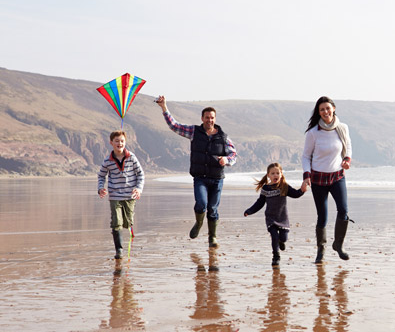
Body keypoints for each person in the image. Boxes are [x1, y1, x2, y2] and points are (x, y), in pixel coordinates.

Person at [155, 96, 236, 248]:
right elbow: (174, 126)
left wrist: (227, 161)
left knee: (213, 209)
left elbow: (233, 154)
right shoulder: (194, 131)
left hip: (217, 179)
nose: (209, 120)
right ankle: (199, 224)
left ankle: (212, 237)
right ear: (202, 118)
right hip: (200, 178)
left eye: (212, 118)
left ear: (215, 119)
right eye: (207, 118)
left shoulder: (223, 137)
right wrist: (164, 108)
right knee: (201, 205)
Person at [301, 96, 353, 264]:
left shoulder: (343, 128)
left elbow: (348, 147)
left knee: (343, 211)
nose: (325, 112)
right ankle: (321, 250)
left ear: (334, 108)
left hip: (337, 176)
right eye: (322, 109)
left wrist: (346, 160)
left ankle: (338, 244)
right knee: (322, 216)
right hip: (318, 179)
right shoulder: (313, 133)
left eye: (328, 108)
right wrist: (307, 175)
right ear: (319, 112)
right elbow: (305, 156)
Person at [244, 162, 307, 267]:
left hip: (282, 218)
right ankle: (276, 257)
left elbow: (295, 194)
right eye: (272, 173)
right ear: (268, 175)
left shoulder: (284, 186)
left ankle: (281, 242)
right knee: (274, 236)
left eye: (277, 173)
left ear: (281, 174)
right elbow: (260, 203)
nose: (275, 175)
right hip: (270, 218)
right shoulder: (265, 189)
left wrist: (302, 190)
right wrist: (249, 211)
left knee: (283, 238)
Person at [98, 130, 145, 259]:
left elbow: (140, 174)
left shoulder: (132, 157)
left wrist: (138, 189)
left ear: (125, 142)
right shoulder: (107, 160)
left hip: (130, 196)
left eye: (122, 141)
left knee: (127, 222)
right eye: (117, 141)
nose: (120, 143)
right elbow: (101, 175)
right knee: (116, 222)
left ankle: (129, 227)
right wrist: (101, 188)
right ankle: (119, 249)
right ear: (111, 143)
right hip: (115, 196)